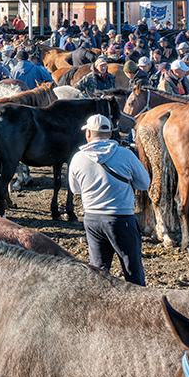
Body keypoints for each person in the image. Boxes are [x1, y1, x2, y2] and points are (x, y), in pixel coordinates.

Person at [68, 114, 150, 286]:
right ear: (111, 133)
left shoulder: (77, 158)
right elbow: (144, 184)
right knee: (132, 269)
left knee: (98, 271)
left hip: (92, 219)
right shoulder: (126, 155)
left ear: (88, 133)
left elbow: (75, 189)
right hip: (121, 218)